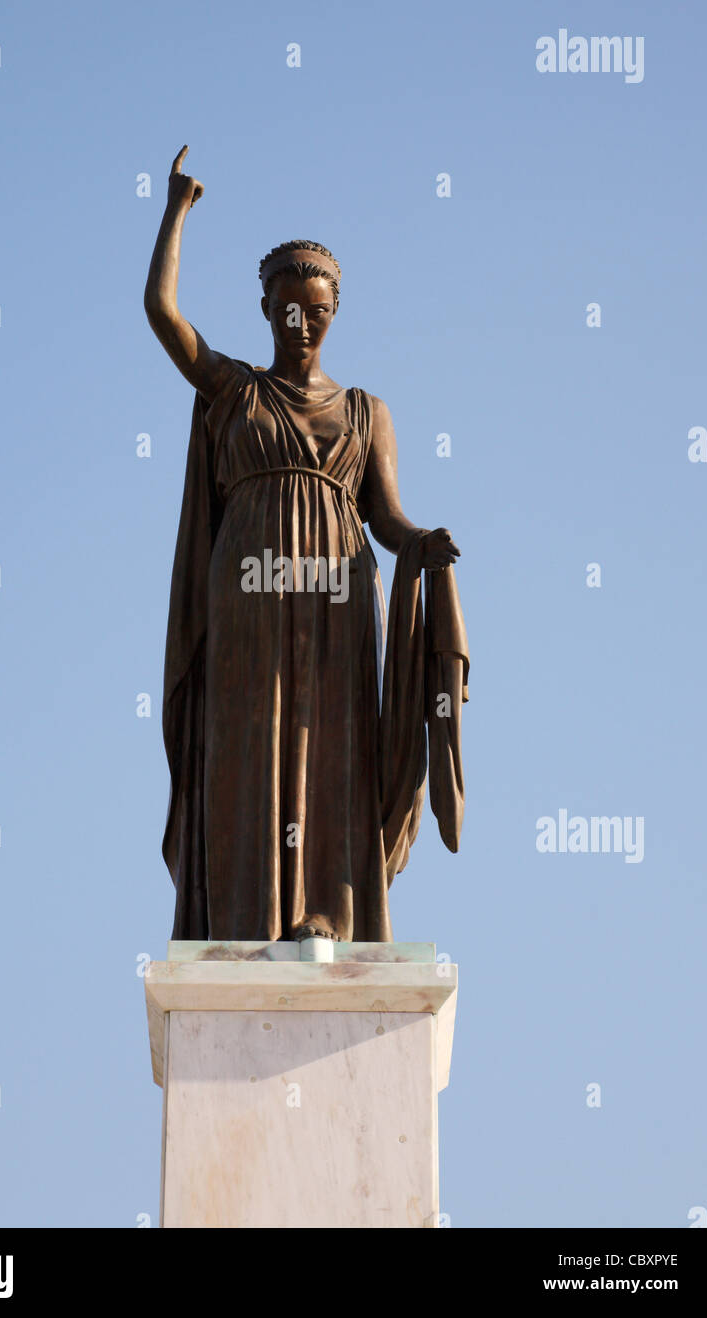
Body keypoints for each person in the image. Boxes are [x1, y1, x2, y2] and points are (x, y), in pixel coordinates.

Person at [144, 147, 463, 943]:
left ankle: (325, 909)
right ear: (266, 309)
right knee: (251, 737)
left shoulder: (367, 411)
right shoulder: (236, 390)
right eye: (288, 307)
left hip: (336, 590)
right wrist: (176, 209)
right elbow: (163, 317)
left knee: (329, 747)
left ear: (333, 313)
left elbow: (385, 517)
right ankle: (250, 912)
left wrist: (420, 542)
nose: (301, 322)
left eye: (316, 310)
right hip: (247, 591)